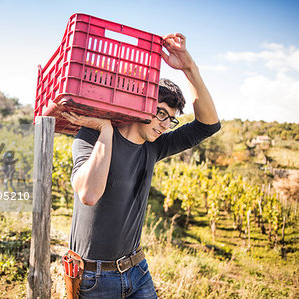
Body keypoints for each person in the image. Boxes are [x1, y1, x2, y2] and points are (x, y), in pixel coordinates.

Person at [61, 33, 221, 298]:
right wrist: (105, 129)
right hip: (93, 277)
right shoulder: (90, 135)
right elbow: (88, 194)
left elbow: (208, 125)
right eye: (160, 113)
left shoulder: (155, 146)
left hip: (137, 269)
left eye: (171, 119)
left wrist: (189, 67)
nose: (165, 124)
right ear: (142, 104)